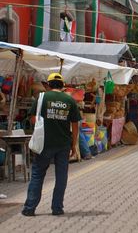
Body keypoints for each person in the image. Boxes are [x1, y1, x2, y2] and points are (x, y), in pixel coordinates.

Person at [22, 73, 81, 216]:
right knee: (61, 176)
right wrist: (74, 145)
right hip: (63, 144)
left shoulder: (42, 98)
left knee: (37, 174)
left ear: (48, 85)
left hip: (44, 144)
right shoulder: (69, 100)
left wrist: (43, 126)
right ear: (62, 85)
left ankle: (30, 209)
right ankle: (57, 208)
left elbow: (32, 119)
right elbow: (75, 125)